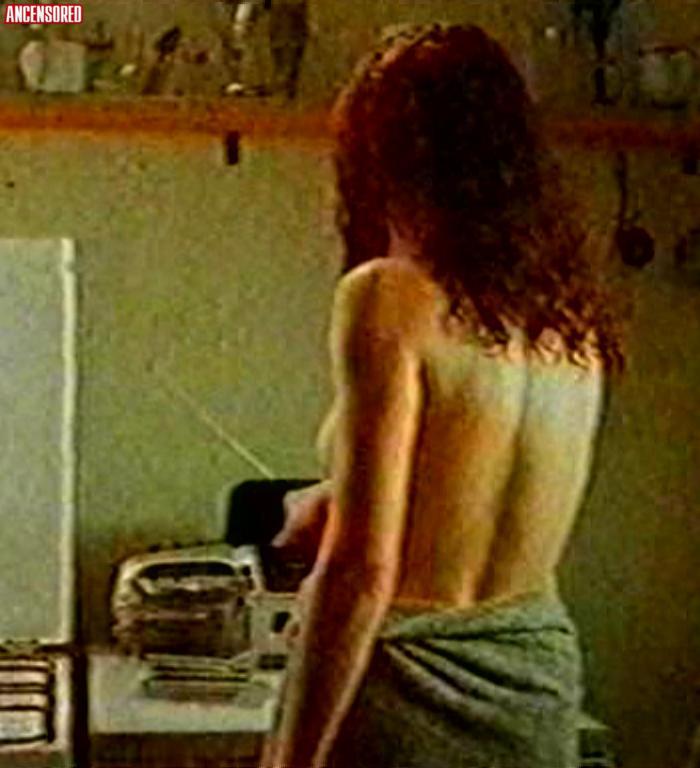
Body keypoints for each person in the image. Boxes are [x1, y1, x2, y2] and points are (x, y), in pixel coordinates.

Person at [264, 23, 624, 768]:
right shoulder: (570, 325)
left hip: (404, 683)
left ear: (381, 156)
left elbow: (362, 574)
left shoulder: (388, 297)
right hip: (533, 682)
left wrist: (287, 762)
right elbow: (475, 496)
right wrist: (333, 499)